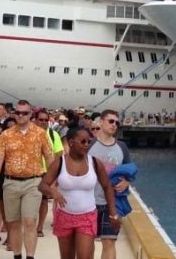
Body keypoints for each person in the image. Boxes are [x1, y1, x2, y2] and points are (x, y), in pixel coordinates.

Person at [39, 128, 119, 259]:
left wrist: (113, 213)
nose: (86, 145)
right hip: (64, 216)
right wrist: (54, 192)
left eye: (89, 141)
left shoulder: (94, 163)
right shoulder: (60, 163)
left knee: (85, 256)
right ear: (71, 142)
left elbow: (107, 187)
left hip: (87, 217)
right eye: (83, 141)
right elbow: (42, 185)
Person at [0, 100, 53, 259]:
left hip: (33, 182)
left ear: (31, 114)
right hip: (10, 182)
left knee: (30, 221)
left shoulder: (40, 134)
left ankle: (30, 256)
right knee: (14, 223)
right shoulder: (6, 135)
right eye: (18, 112)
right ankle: (17, 255)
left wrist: (52, 181)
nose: (21, 115)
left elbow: (50, 157)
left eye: (24, 113)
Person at [89, 110, 132, 259]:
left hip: (112, 202)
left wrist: (127, 181)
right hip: (89, 200)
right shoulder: (90, 144)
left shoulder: (122, 147)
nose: (114, 125)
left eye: (117, 122)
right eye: (111, 121)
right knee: (87, 243)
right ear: (101, 122)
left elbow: (129, 169)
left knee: (109, 242)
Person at [34, 109, 64, 237]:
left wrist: (54, 175)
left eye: (46, 120)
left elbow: (59, 155)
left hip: (46, 173)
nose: (43, 122)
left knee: (43, 201)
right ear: (35, 120)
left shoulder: (53, 135)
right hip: (31, 172)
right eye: (41, 119)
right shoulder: (29, 134)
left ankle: (39, 227)